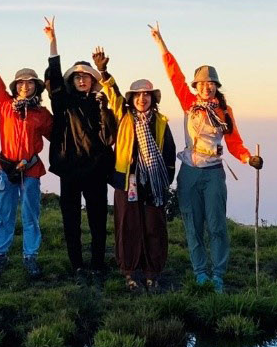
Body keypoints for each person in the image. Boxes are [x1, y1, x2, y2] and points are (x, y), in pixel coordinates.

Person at [150, 22, 263, 291]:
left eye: (211, 84)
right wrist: (160, 42)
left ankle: (218, 275)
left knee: (216, 225)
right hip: (189, 170)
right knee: (192, 224)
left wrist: (249, 159)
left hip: (213, 172)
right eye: (202, 83)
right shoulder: (188, 104)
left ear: (216, 86)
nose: (207, 88)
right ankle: (200, 272)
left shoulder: (225, 111)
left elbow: (235, 143)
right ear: (196, 86)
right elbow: (173, 74)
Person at [0, 31, 55, 276]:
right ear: (15, 86)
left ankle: (30, 256)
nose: (25, 86)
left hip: (30, 169)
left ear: (36, 87)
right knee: (4, 214)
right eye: (21, 83)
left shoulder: (42, 114)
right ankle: (0, 253)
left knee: (31, 215)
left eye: (30, 83)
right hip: (6, 168)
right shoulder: (5, 106)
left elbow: (60, 138)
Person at [42, 17, 116, 278]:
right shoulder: (63, 103)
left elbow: (109, 137)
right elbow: (53, 79)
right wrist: (53, 43)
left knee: (97, 219)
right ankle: (76, 264)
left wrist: (103, 104)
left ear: (92, 80)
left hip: (96, 169)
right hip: (71, 169)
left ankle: (97, 263)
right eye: (77, 77)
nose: (82, 80)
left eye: (86, 76)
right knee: (70, 220)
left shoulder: (100, 102)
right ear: (71, 81)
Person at [98, 50, 178, 291]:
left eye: (147, 95)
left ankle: (152, 271)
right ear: (131, 98)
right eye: (138, 95)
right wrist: (103, 72)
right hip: (128, 180)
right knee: (128, 226)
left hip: (153, 183)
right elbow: (112, 94)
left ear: (153, 99)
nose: (142, 98)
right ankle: (130, 272)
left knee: (154, 226)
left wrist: (164, 180)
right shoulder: (123, 115)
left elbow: (170, 154)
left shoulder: (161, 122)